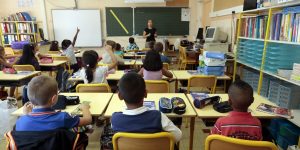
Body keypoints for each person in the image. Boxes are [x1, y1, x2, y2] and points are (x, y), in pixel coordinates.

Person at [111, 72, 182, 142]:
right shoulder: (158, 116)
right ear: (145, 93)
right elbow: (178, 136)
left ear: (120, 96)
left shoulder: (115, 119)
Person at [15, 75, 92, 131]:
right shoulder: (63, 118)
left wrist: (26, 115)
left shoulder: (21, 121)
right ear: (54, 99)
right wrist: (85, 108)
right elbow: (88, 120)